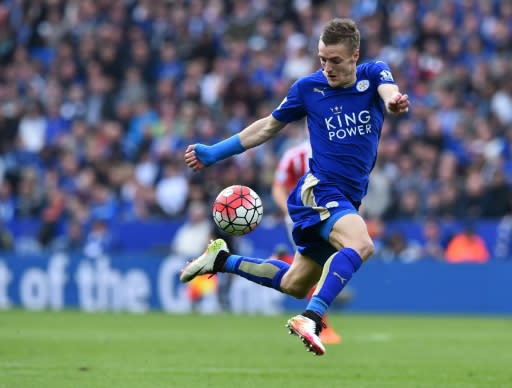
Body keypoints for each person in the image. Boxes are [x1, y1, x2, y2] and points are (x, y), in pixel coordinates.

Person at [181, 18, 409, 356]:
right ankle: (312, 317)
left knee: (294, 282)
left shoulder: (374, 73)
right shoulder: (308, 89)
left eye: (335, 60)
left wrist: (393, 102)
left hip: (345, 198)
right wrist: (214, 152)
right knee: (361, 244)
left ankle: (221, 261)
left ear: (354, 55)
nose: (327, 67)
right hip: (318, 191)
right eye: (322, 59)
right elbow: (266, 128)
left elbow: (388, 91)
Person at [272, 139, 342, 345]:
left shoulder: (333, 148)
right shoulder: (296, 154)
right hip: (304, 220)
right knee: (317, 268)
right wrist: (289, 213)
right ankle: (318, 322)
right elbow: (278, 186)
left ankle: (315, 319)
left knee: (315, 271)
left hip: (329, 216)